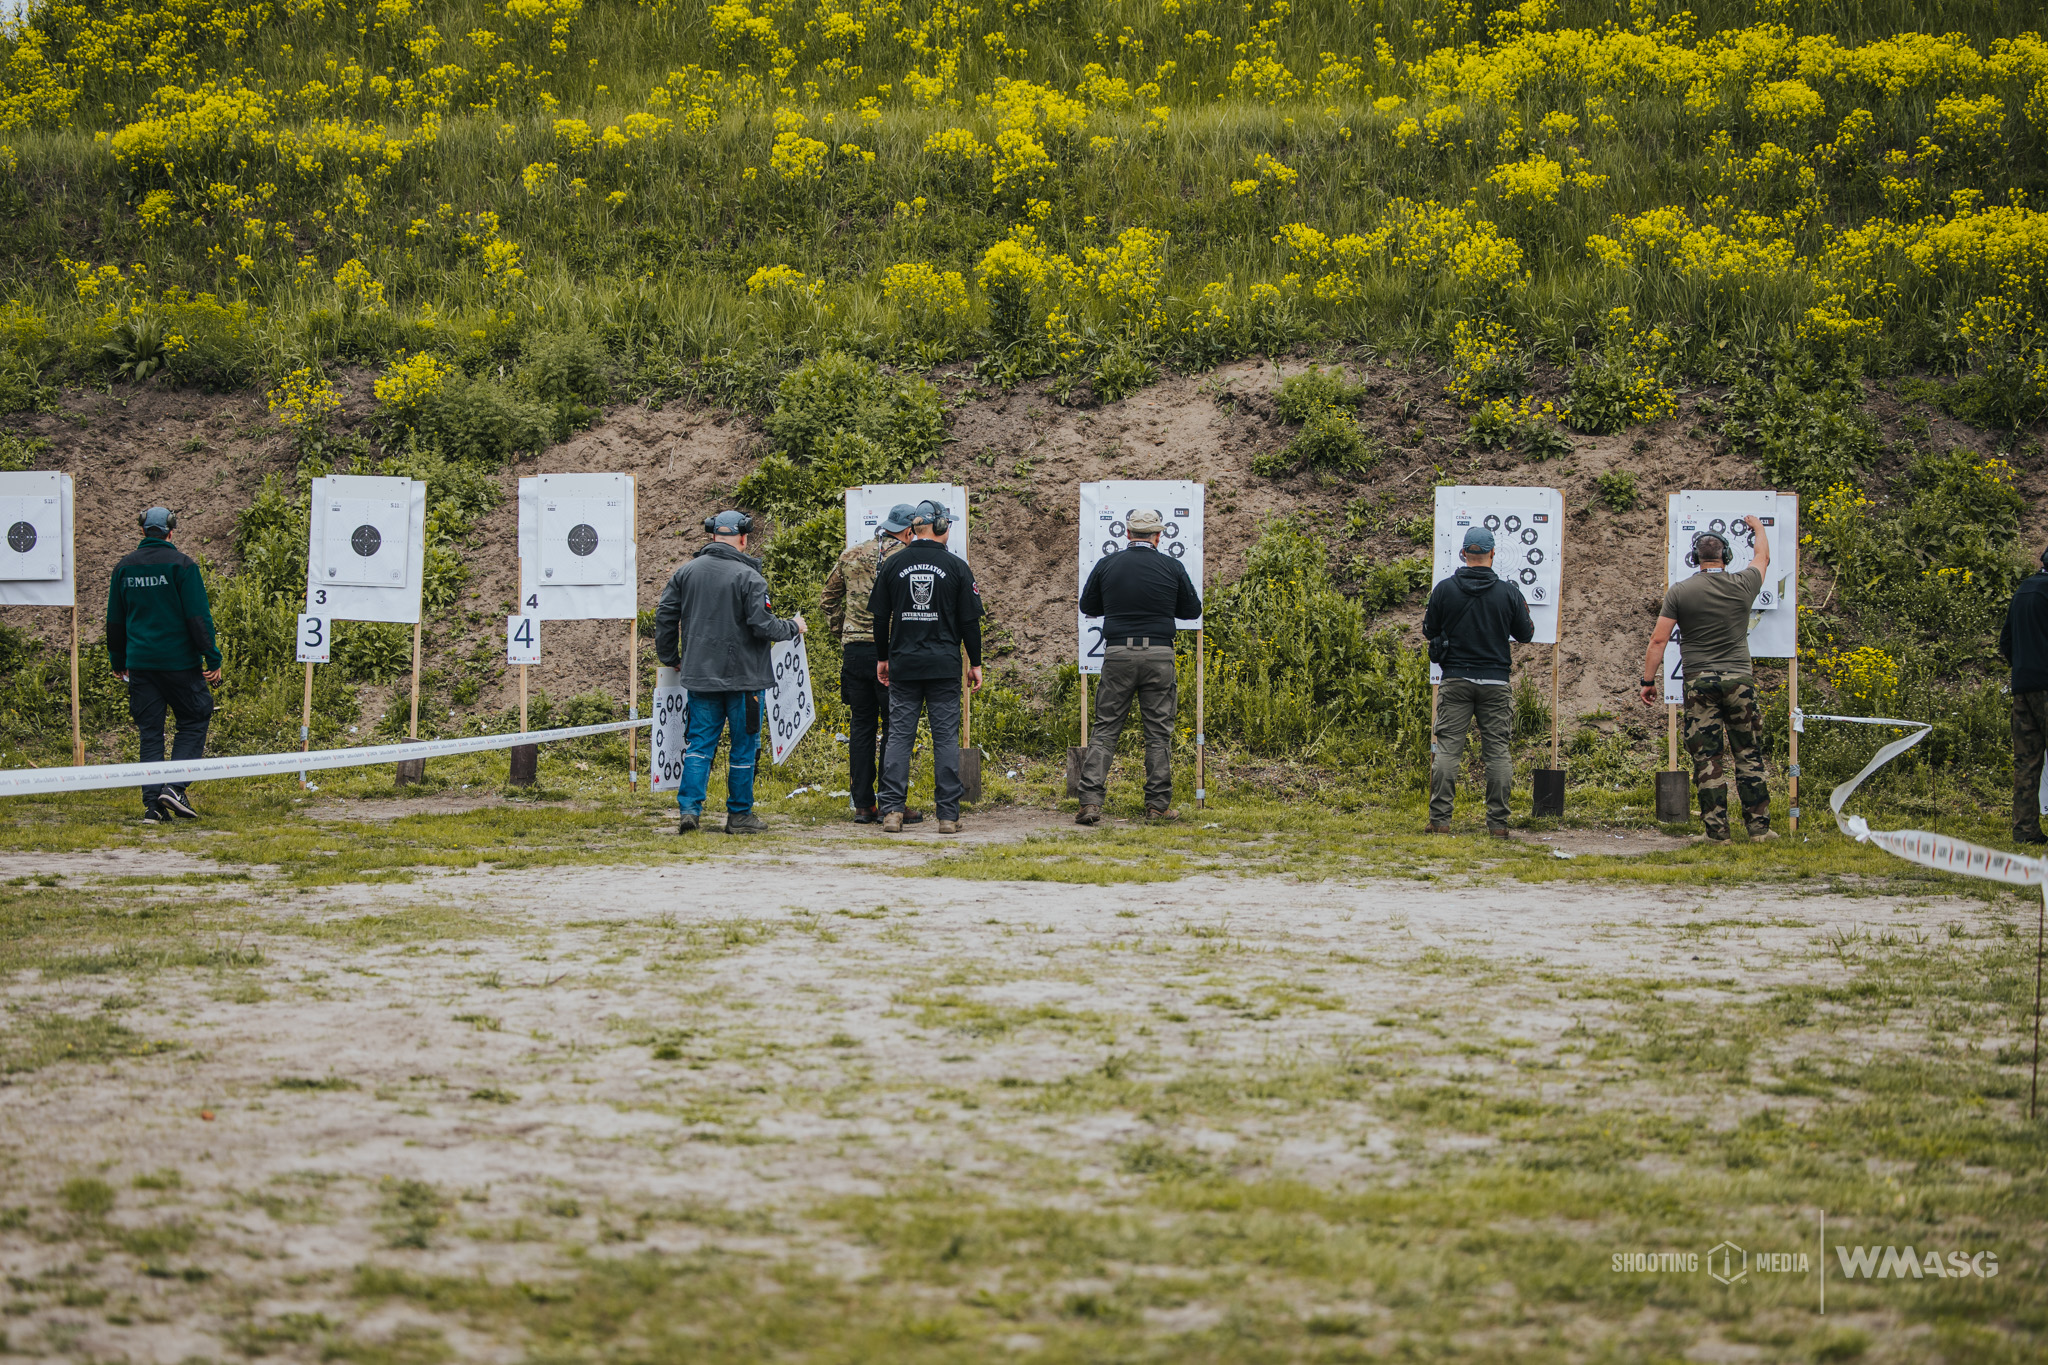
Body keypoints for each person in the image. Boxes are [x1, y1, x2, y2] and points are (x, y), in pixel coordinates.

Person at [653, 509, 806, 835]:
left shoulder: (686, 572)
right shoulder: (751, 578)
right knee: (743, 746)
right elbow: (762, 625)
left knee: (698, 745)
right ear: (743, 537)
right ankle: (739, 815)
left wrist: (671, 657)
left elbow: (665, 616)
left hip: (701, 676)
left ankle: (690, 811)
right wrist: (794, 626)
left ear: (712, 536)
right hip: (746, 680)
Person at [1638, 515, 1776, 843]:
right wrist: (1757, 527)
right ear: (1725, 556)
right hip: (1739, 680)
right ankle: (1759, 830)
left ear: (1694, 558)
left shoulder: (1680, 592)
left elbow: (1658, 641)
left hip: (1699, 683)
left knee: (1708, 759)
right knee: (1748, 753)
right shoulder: (1744, 583)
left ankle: (1717, 834)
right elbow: (1762, 557)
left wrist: (1647, 681)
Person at [1074, 508, 1202, 824]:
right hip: (1159, 654)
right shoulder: (1172, 566)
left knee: (1106, 727)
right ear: (1158, 536)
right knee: (1158, 732)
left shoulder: (1107, 565)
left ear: (1127, 534)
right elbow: (1192, 610)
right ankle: (1157, 807)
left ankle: (1090, 803)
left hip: (1118, 654)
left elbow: (1088, 606)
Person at [867, 500, 983, 834]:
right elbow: (969, 622)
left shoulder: (893, 564)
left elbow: (879, 617)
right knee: (945, 738)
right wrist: (974, 662)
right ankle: (948, 815)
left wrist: (883, 657)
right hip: (944, 666)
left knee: (900, 737)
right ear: (942, 527)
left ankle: (891, 811)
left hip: (904, 664)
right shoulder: (957, 567)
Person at [106, 506, 222, 824]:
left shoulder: (124, 568)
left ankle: (152, 807)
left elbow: (115, 622)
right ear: (171, 532)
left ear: (143, 531)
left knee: (151, 733)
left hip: (141, 665)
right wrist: (212, 658)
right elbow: (198, 619)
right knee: (195, 718)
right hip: (180, 663)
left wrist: (118, 661)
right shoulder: (182, 565)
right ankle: (174, 788)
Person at [1421, 526, 1535, 836]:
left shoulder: (1444, 589)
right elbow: (1526, 634)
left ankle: (1440, 821)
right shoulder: (1509, 592)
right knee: (1497, 752)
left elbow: (1429, 629)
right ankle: (1498, 825)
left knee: (1446, 751)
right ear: (1493, 554)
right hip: (1496, 682)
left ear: (1463, 554)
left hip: (1456, 679)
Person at [820, 503, 921, 825]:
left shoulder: (852, 554)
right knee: (896, 728)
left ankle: (863, 805)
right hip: (892, 652)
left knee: (861, 727)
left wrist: (843, 631)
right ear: (908, 531)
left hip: (855, 652)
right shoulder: (905, 558)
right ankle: (892, 802)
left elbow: (828, 599)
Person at [1998, 546, 2048, 845]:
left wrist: (2024, 668)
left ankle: (2025, 830)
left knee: (2026, 760)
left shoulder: (2024, 589)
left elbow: (2006, 640)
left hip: (2023, 687)